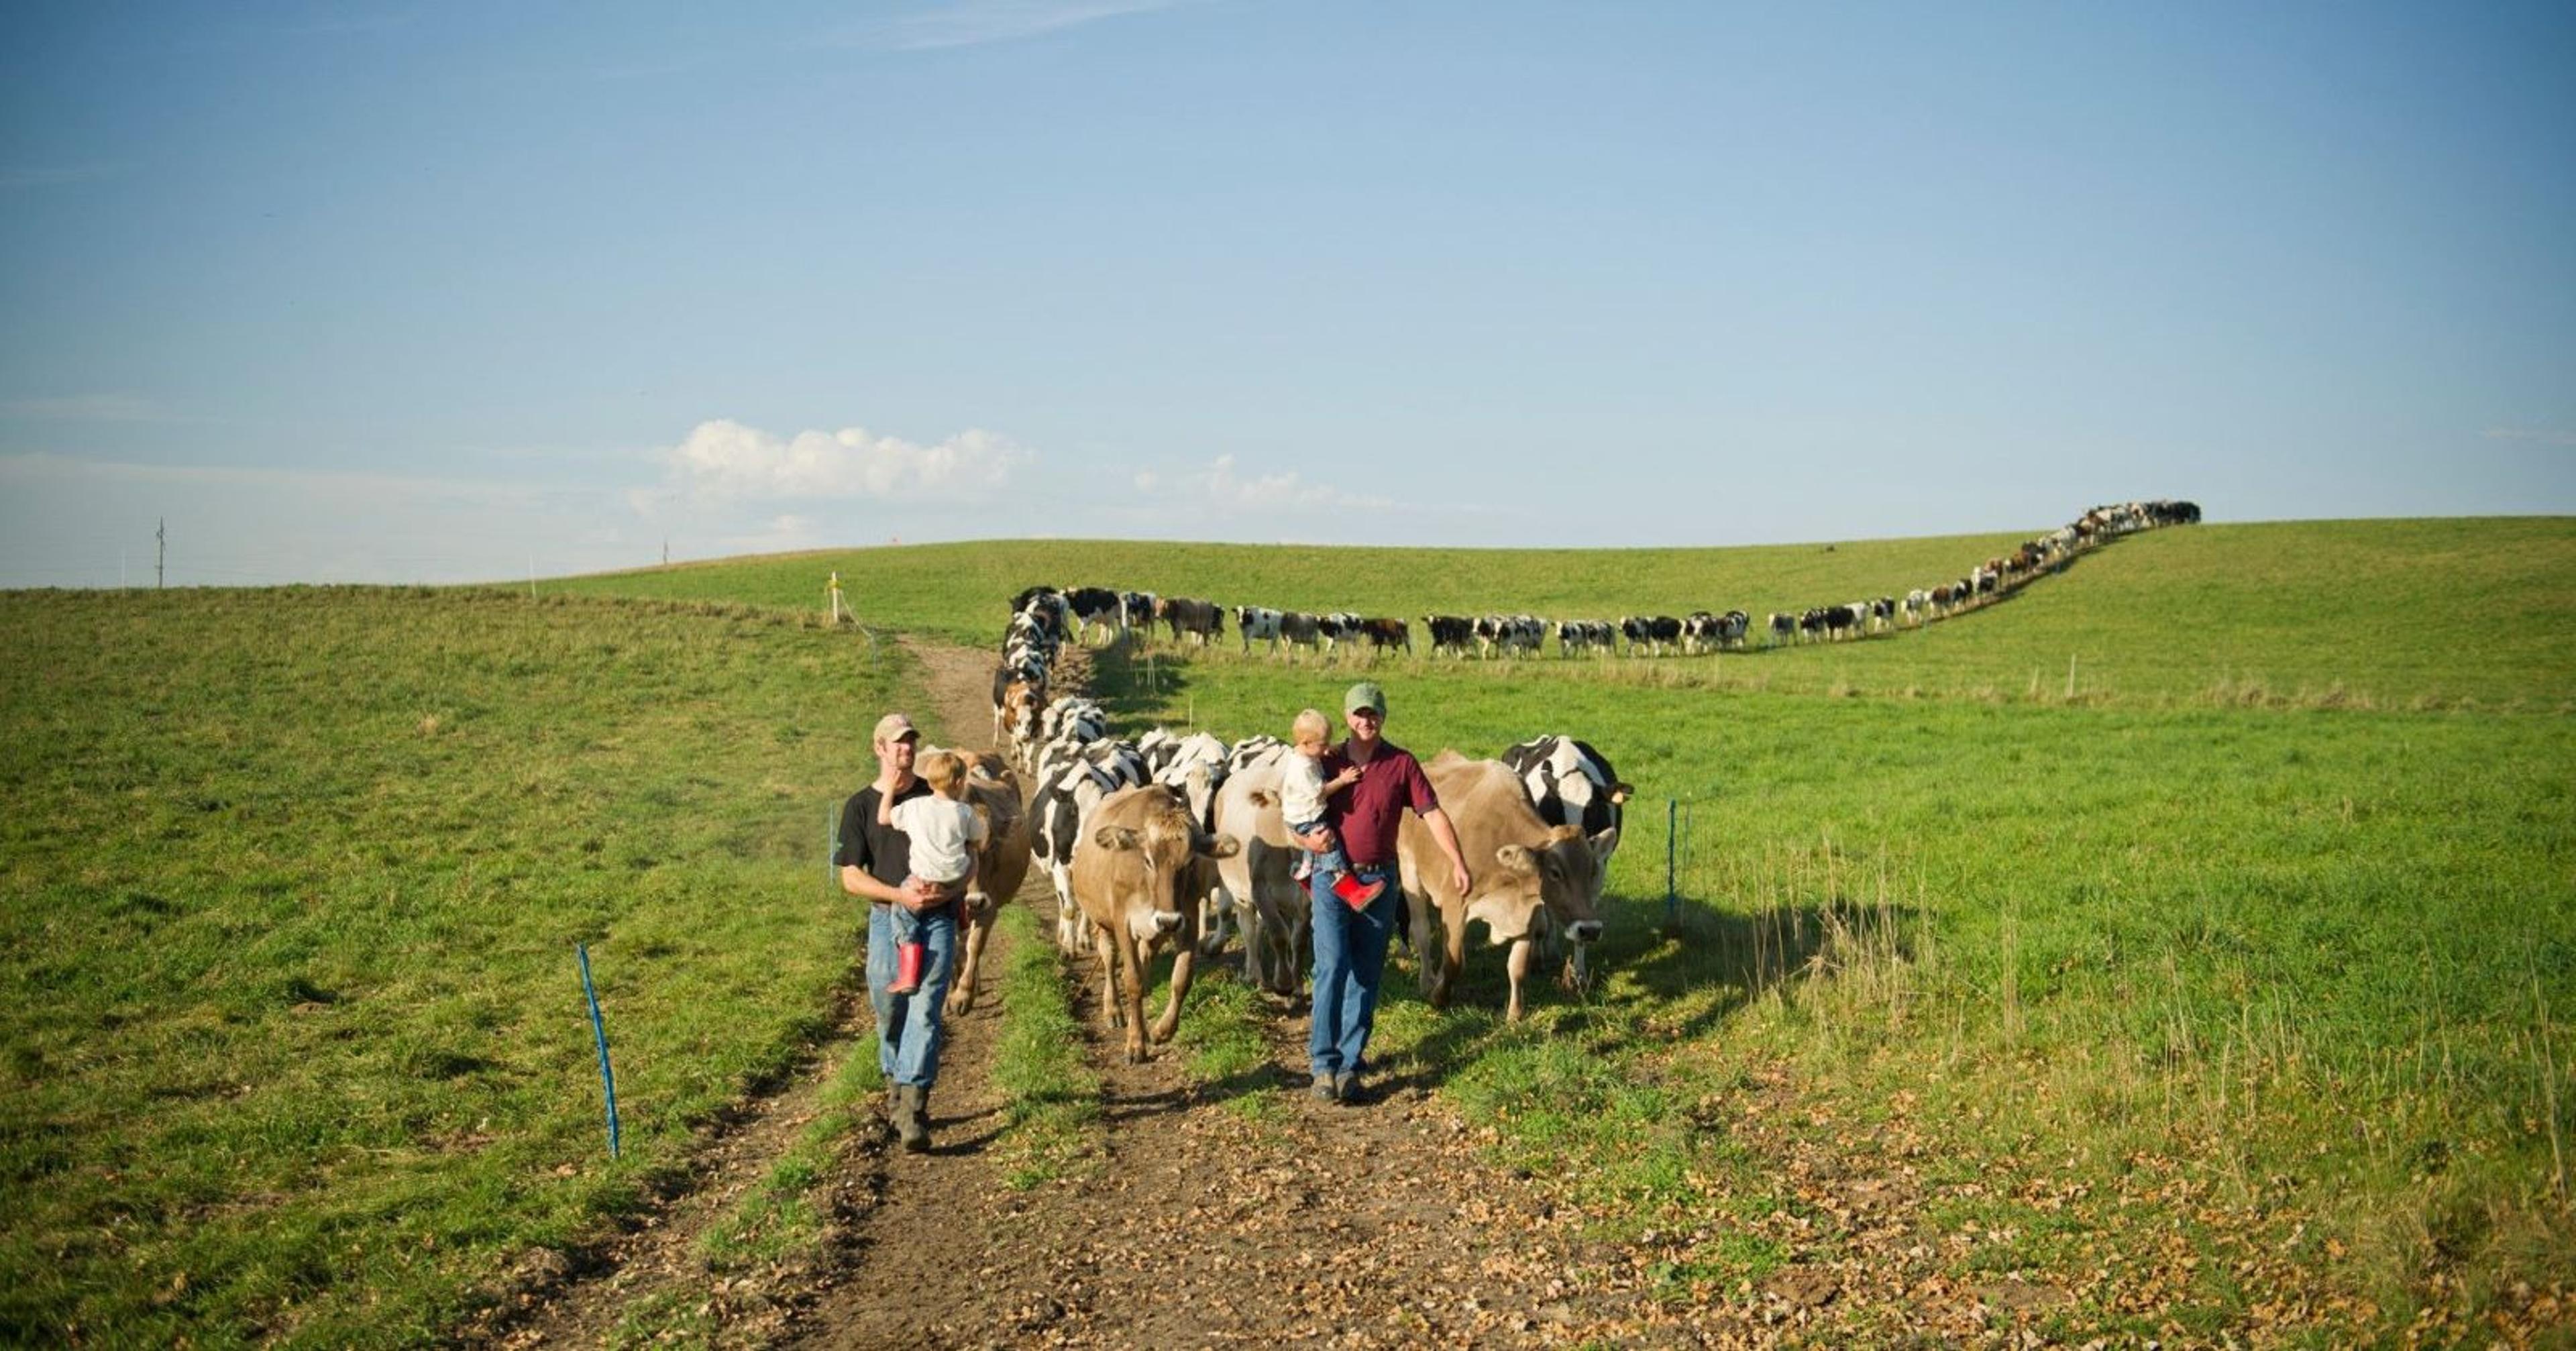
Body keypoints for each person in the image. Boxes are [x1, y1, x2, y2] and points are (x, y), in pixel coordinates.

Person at [1292, 682, 1472, 1105]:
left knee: (1367, 973)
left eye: (1372, 714)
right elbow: (1294, 809)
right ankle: (1323, 1064)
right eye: (1358, 714)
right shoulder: (1325, 759)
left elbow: (1432, 813)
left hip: (1379, 881)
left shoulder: (1401, 763)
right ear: (1347, 717)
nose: (1365, 721)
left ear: (1383, 717)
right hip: (1331, 877)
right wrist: (1305, 844)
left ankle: (1351, 1065)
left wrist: (1458, 861)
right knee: (1332, 966)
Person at [836, 712, 967, 1152]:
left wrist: (952, 888)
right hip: (886, 918)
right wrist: (898, 895)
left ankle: (913, 1107)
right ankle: (895, 1082)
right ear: (879, 748)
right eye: (897, 743)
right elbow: (851, 878)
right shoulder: (860, 807)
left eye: (911, 741)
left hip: (938, 917)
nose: (906, 749)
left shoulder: (938, 795)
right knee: (890, 1006)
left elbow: (972, 855)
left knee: (927, 1009)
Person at [874, 748, 985, 996]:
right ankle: (961, 914)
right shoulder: (965, 812)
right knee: (957, 886)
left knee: (902, 912)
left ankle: (908, 974)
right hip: (956, 876)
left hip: (923, 879)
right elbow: (978, 839)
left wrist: (890, 788)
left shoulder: (914, 807)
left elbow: (883, 818)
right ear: (959, 783)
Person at [1278, 708, 1377, 908]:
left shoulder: (1304, 755)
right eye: (1323, 746)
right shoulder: (1302, 768)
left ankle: (1305, 873)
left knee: (1317, 847)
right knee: (1329, 844)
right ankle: (1350, 888)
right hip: (1307, 818)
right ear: (1305, 743)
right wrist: (1343, 780)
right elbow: (1320, 793)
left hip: (1298, 815)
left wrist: (1324, 752)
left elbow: (1318, 758)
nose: (1326, 751)